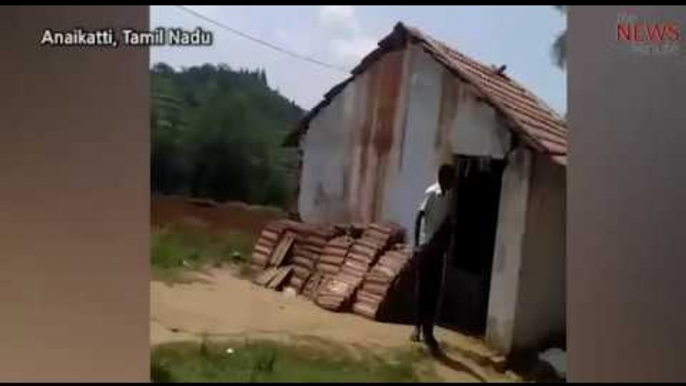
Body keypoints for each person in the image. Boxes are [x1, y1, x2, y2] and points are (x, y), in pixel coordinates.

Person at [410, 163, 456, 351]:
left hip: (438, 250)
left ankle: (429, 331)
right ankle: (417, 327)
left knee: (434, 290)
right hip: (426, 247)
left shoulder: (450, 196)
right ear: (443, 178)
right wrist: (416, 246)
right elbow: (419, 217)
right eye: (451, 178)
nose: (453, 182)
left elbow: (448, 221)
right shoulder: (431, 192)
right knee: (422, 289)